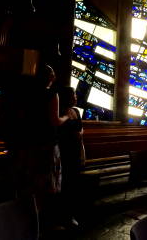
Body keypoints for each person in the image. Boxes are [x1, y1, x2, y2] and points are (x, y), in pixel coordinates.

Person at [12, 64, 68, 231]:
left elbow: (22, 118)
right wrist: (66, 116)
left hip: (30, 143)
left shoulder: (28, 95)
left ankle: (28, 219)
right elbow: (54, 121)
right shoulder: (52, 94)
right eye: (53, 74)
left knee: (31, 183)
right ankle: (41, 223)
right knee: (46, 184)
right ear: (50, 77)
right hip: (47, 144)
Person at [58, 86, 85, 226]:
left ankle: (72, 213)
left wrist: (80, 135)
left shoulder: (76, 111)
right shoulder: (60, 112)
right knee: (65, 184)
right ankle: (63, 216)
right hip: (65, 152)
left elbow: (81, 129)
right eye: (73, 94)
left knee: (74, 183)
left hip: (75, 151)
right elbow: (59, 131)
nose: (75, 96)